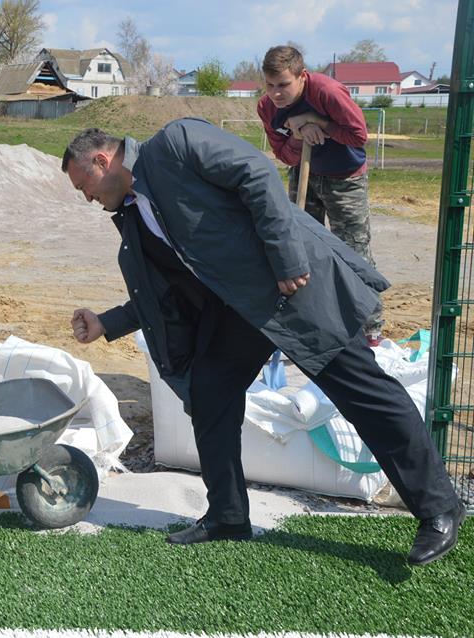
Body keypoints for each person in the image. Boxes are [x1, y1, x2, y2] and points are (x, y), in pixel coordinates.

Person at [61, 119, 465, 566]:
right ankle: (228, 515)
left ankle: (439, 509)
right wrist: (107, 322)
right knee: (211, 392)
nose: (87, 198)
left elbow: (256, 172)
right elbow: (166, 292)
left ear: (103, 160)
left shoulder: (176, 143)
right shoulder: (137, 213)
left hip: (292, 286)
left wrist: (286, 258)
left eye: (85, 186)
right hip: (239, 311)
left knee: (363, 392)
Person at [258, 44, 384, 346]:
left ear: (303, 76)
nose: (277, 93)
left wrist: (319, 123)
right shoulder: (267, 107)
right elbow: (284, 156)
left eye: (284, 85)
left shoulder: (327, 92)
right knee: (300, 248)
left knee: (353, 250)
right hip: (305, 175)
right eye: (270, 85)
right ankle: (310, 321)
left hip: (345, 179)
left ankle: (371, 327)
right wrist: (300, 136)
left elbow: (358, 136)